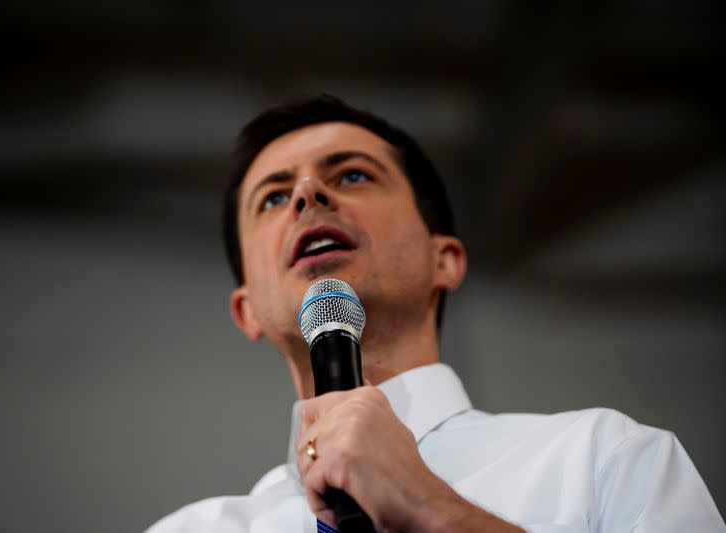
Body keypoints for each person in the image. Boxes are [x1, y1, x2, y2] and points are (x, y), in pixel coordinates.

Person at [146, 95, 724, 532]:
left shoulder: (604, 459)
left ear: (443, 258)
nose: (306, 196)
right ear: (246, 309)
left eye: (352, 174)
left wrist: (427, 507)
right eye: (273, 197)